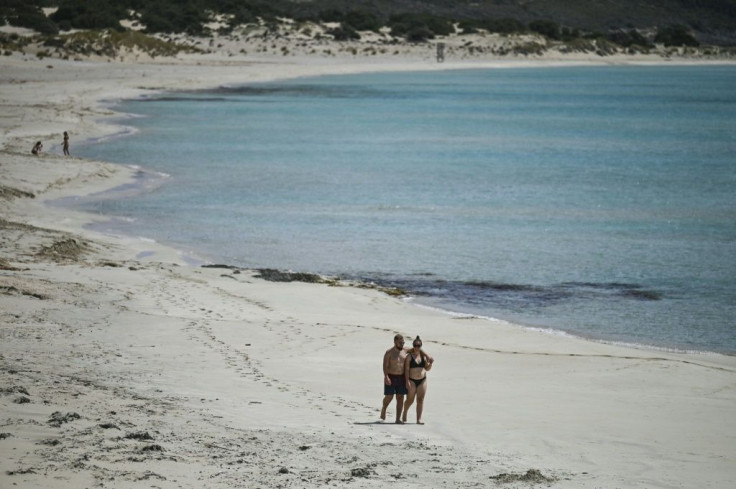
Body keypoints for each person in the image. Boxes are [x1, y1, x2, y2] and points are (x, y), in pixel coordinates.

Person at [381, 334, 433, 424]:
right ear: (395, 342)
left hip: (401, 377)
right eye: (400, 342)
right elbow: (385, 366)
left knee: (400, 397)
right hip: (391, 376)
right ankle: (384, 408)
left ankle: (397, 419)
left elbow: (418, 349)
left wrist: (428, 357)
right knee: (389, 397)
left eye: (403, 342)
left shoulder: (406, 350)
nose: (402, 344)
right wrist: (386, 376)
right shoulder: (389, 352)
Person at [402, 335, 433, 424]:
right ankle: (405, 411)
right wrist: (407, 381)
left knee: (420, 399)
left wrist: (430, 364)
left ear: (421, 346)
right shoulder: (409, 357)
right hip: (412, 380)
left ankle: (418, 419)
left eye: (418, 346)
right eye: (415, 345)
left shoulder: (423, 356)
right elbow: (407, 370)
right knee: (410, 400)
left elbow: (427, 368)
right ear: (413, 345)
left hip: (422, 380)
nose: (416, 347)